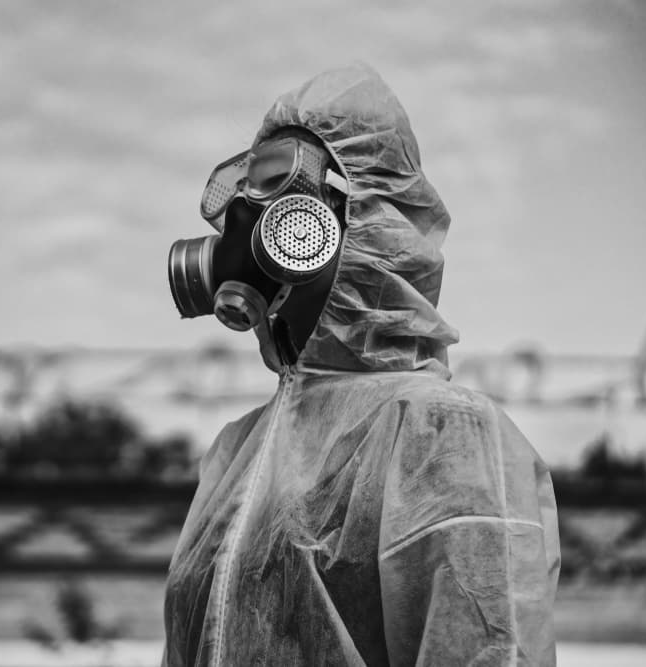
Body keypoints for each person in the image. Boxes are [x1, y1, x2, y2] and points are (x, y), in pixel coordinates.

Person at [163, 63, 560, 666]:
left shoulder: (439, 433)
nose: (244, 215)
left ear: (366, 219)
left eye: (278, 187)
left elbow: (489, 650)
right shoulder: (233, 453)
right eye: (243, 186)